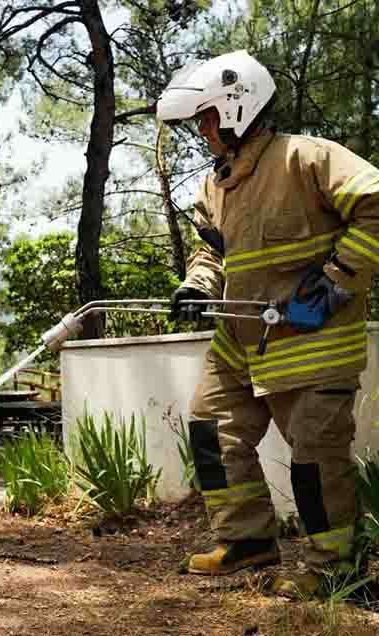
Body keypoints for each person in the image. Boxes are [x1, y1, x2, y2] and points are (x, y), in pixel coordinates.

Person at [156, 50, 379, 597]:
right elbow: (212, 257)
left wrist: (336, 279)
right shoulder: (216, 187)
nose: (202, 130)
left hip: (313, 339)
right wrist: (195, 288)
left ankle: (336, 569)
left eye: (206, 117)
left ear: (236, 107)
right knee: (211, 430)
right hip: (240, 341)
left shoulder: (308, 157)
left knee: (314, 459)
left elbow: (377, 204)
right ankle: (246, 541)